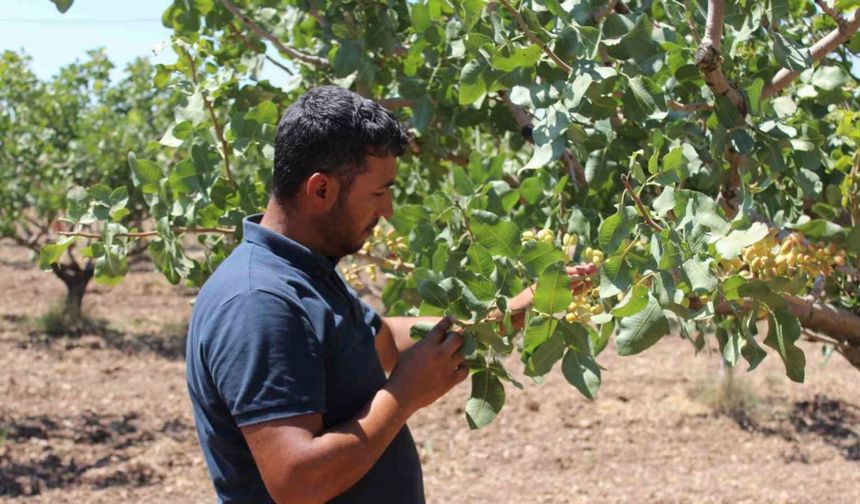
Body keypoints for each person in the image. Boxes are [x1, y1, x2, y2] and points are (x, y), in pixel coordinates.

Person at [185, 86, 590, 503]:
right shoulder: (258, 303)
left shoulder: (305, 271)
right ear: (320, 190)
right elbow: (296, 481)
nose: (388, 210)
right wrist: (403, 396)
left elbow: (379, 340)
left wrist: (508, 313)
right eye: (378, 193)